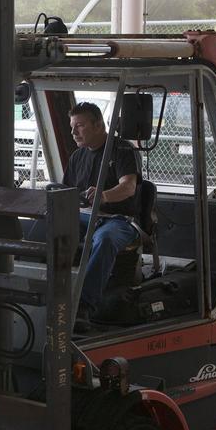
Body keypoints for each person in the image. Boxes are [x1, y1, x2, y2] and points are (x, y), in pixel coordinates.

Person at [66, 102, 140, 331]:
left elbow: (128, 187)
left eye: (80, 126)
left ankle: (83, 307)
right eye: (72, 126)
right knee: (42, 228)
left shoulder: (123, 150)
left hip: (117, 219)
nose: (73, 132)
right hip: (84, 216)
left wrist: (104, 196)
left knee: (105, 239)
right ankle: (44, 292)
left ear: (99, 125)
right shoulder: (77, 156)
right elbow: (66, 190)